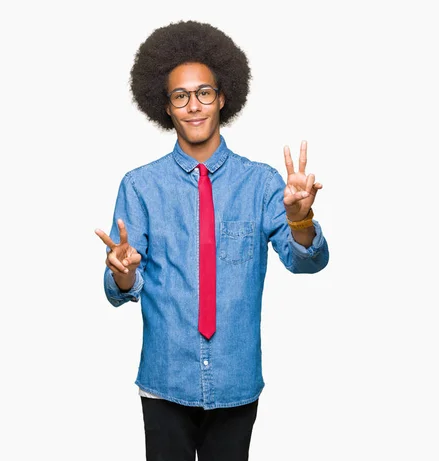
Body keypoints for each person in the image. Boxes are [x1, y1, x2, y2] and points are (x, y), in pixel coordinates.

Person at [94, 20, 329, 461]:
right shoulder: (141, 187)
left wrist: (301, 219)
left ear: (223, 97)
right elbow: (120, 289)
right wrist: (122, 273)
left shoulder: (261, 184)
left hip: (236, 380)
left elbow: (308, 263)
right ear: (165, 107)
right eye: (180, 96)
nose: (194, 105)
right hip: (165, 381)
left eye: (204, 92)